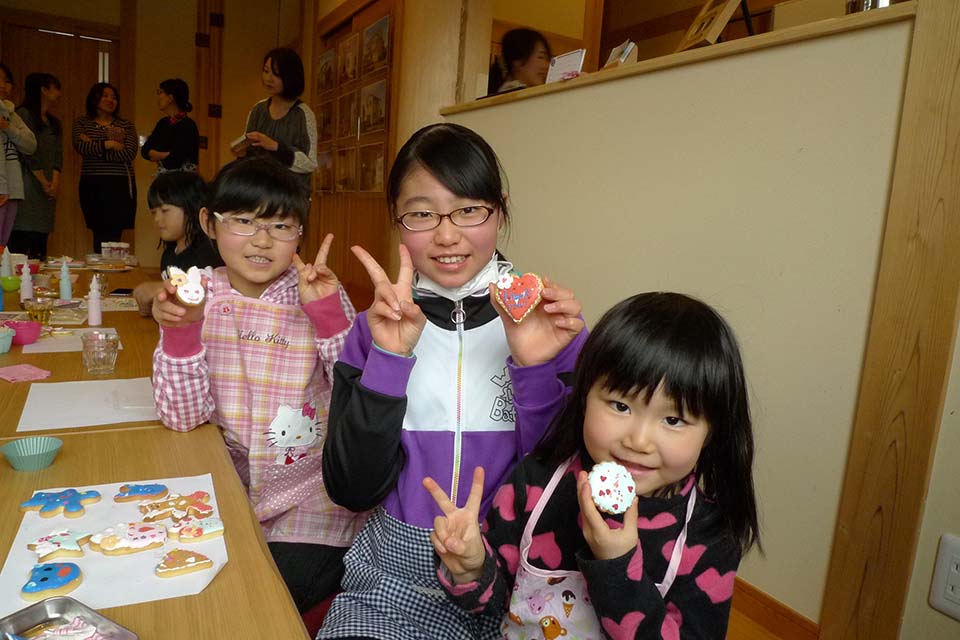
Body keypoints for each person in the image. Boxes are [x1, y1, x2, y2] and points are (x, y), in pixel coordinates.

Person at [318, 122, 589, 639]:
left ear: (499, 211)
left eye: (468, 210)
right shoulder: (372, 331)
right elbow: (351, 489)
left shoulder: (554, 326)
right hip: (394, 585)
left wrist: (534, 368)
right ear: (397, 220)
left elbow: (566, 489)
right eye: (422, 214)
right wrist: (390, 358)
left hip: (522, 589)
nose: (446, 236)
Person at [426, 292, 762, 639]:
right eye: (620, 406)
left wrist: (617, 568)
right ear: (585, 396)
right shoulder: (538, 479)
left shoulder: (710, 538)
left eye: (673, 420)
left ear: (711, 432)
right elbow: (493, 601)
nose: (638, 441)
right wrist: (472, 568)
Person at [150, 157, 364, 613]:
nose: (262, 240)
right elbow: (183, 418)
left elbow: (358, 395)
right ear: (209, 223)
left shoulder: (319, 293)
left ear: (300, 234)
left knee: (259, 601)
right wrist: (182, 332)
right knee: (187, 589)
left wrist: (327, 315)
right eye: (244, 221)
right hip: (222, 493)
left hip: (311, 502)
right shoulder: (196, 293)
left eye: (281, 226)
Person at [132, 171, 222, 315]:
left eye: (165, 211)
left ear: (191, 208)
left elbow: (213, 302)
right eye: (153, 213)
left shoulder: (209, 254)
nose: (157, 219)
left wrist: (159, 288)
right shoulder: (169, 254)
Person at [234, 48, 317, 193]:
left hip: (289, 195)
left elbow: (309, 164)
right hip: (259, 192)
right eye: (266, 71)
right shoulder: (258, 109)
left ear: (290, 76)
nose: (269, 78)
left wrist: (276, 147)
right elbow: (249, 154)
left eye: (276, 74)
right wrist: (241, 152)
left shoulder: (303, 114)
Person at [73, 82, 138, 253]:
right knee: (98, 232)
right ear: (94, 98)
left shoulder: (126, 125)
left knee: (115, 234)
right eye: (105, 96)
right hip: (92, 183)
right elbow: (81, 147)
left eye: (114, 97)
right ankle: (100, 267)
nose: (111, 100)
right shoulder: (82, 123)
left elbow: (129, 153)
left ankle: (112, 267)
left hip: (119, 184)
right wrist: (109, 144)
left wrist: (97, 147)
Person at [9, 72, 62, 260]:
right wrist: (44, 182)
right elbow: (29, 153)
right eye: (55, 87)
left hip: (47, 190)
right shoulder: (23, 115)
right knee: (22, 242)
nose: (59, 92)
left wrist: (54, 182)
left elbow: (58, 155)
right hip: (28, 184)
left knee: (40, 244)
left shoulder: (54, 123)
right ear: (44, 90)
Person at [0, 63, 37, 247]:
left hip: (13, 188)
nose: (3, 85)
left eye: (7, 81)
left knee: (3, 245)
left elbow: (31, 145)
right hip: (2, 188)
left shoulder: (12, 113)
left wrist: (8, 127)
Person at [140, 78, 199, 172]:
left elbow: (175, 160)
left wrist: (157, 155)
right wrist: (165, 155)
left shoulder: (188, 125)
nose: (158, 97)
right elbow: (144, 151)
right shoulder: (162, 123)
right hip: (164, 177)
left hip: (183, 179)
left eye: (160, 92)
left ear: (170, 98)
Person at [487, 28, 553, 95]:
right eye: (540, 57)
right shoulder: (512, 94)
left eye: (548, 59)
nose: (547, 66)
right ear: (518, 60)